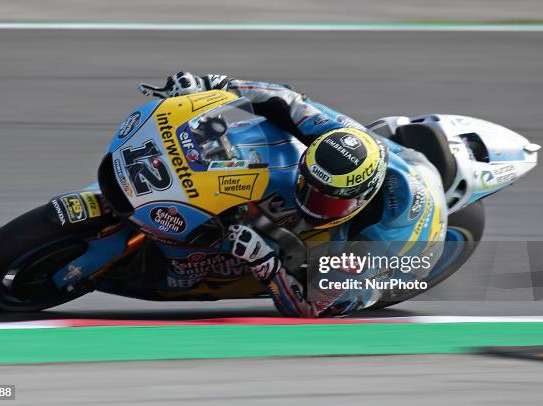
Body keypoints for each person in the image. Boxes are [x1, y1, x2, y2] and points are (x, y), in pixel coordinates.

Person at [142, 72, 447, 317]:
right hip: (397, 157)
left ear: (360, 199)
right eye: (308, 185)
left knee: (343, 291)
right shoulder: (332, 135)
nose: (311, 202)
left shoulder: (376, 239)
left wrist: (263, 259)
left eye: (327, 200)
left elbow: (309, 307)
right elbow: (284, 99)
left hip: (412, 243)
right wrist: (210, 86)